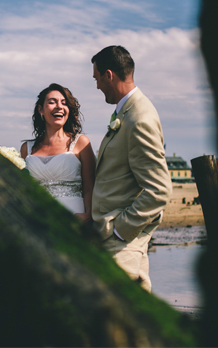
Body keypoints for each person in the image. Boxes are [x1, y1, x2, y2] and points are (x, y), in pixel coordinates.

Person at [90, 45, 171, 292]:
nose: (97, 86)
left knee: (118, 316)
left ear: (109, 75)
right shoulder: (127, 111)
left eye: (97, 78)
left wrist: (120, 231)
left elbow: (159, 190)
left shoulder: (139, 117)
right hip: (117, 239)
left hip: (121, 243)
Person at [20, 83, 96, 223]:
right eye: (52, 102)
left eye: (64, 103)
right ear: (40, 109)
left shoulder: (81, 142)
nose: (59, 106)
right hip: (38, 217)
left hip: (74, 217)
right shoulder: (27, 148)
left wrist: (89, 215)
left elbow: (90, 186)